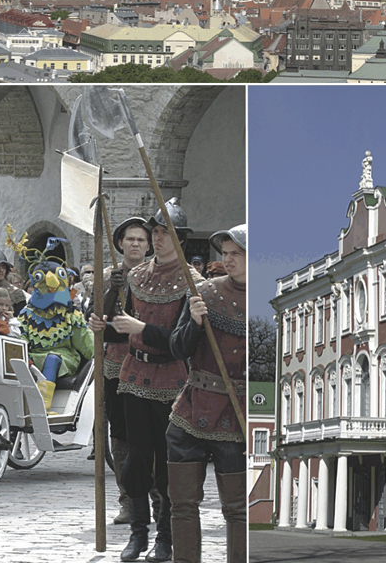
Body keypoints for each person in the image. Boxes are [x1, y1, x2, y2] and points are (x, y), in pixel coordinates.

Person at [89, 198, 203, 563]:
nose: (157, 239)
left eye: (164, 233)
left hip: (171, 379)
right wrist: (103, 326)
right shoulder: (135, 276)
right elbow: (118, 333)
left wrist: (141, 329)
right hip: (133, 376)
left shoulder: (193, 282)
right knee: (136, 459)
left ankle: (165, 538)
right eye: (155, 232)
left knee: (168, 461)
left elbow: (180, 343)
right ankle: (138, 534)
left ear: (180, 239)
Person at [136, 225, 247, 563]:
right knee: (182, 503)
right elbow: (177, 346)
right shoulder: (204, 293)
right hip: (191, 408)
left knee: (237, 508)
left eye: (236, 254)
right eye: (224, 253)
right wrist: (194, 322)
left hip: (235, 415)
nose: (228, 260)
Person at [98, 216, 152, 526]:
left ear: (148, 246)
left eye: (141, 240)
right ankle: (128, 500)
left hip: (152, 368)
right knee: (120, 438)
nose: (135, 244)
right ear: (120, 243)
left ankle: (157, 500)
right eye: (130, 239)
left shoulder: (158, 277)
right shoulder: (108, 278)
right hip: (116, 367)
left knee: (151, 438)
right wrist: (111, 292)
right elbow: (98, 321)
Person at [9, 228, 92, 414]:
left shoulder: (71, 314)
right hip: (34, 358)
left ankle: (42, 405)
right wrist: (23, 355)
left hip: (63, 358)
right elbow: (20, 337)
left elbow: (85, 343)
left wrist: (99, 351)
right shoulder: (27, 314)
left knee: (52, 359)